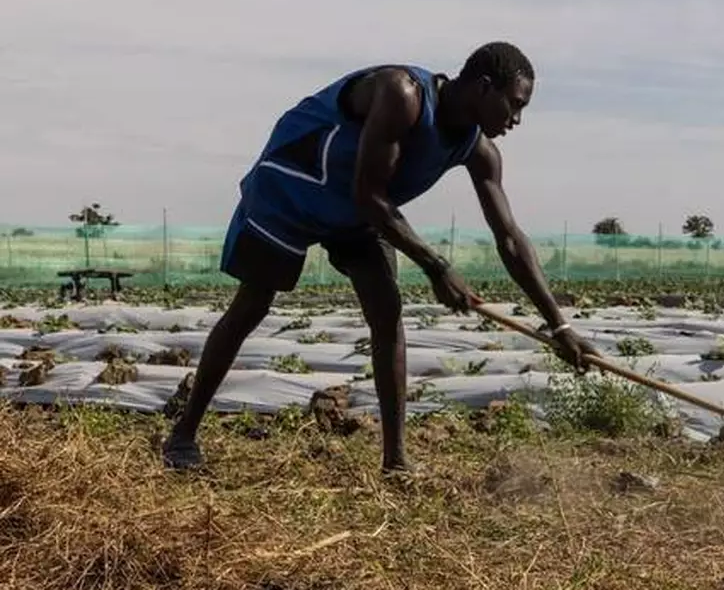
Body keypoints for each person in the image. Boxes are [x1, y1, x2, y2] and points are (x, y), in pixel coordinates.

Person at [162, 41, 599, 473]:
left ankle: (396, 462)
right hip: (294, 187)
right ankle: (183, 435)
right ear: (484, 88)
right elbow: (370, 195)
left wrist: (559, 326)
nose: (516, 120)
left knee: (387, 312)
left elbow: (509, 239)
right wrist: (437, 266)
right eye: (514, 104)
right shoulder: (402, 94)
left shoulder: (479, 151)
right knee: (252, 305)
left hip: (355, 212)